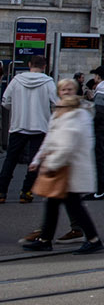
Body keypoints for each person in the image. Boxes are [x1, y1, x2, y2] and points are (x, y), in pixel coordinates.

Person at [20, 78, 102, 253]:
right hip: (61, 166)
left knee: (73, 205)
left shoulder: (79, 112)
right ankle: (45, 239)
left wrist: (52, 164)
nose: (66, 92)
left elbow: (68, 143)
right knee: (54, 203)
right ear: (59, 92)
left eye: (70, 89)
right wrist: (37, 160)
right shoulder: (60, 110)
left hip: (70, 167)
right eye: (63, 89)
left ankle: (93, 239)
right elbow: (50, 138)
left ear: (76, 91)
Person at [0, 54, 57, 203]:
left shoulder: (16, 81)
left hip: (18, 126)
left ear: (29, 64)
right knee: (35, 162)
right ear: (44, 67)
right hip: (39, 127)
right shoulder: (48, 82)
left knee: (10, 160)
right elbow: (56, 103)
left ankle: (1, 192)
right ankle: (26, 192)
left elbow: (5, 102)